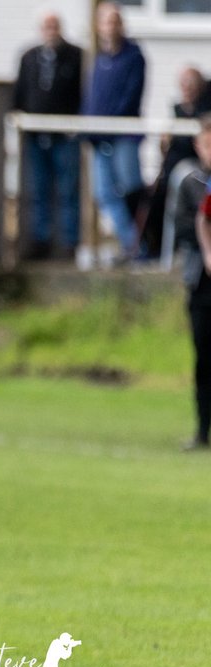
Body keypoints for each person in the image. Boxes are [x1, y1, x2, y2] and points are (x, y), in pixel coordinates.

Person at [12, 11, 83, 260]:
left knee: (67, 189)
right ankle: (40, 241)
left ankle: (69, 243)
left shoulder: (75, 56)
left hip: (64, 135)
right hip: (35, 134)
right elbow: (19, 92)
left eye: (55, 26)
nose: (51, 30)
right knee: (39, 189)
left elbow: (81, 92)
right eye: (46, 26)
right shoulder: (29, 57)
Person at [81, 2, 146, 263]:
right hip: (99, 138)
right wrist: (88, 126)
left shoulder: (134, 56)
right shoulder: (99, 59)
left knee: (131, 189)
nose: (111, 26)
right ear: (99, 26)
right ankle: (132, 246)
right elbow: (92, 99)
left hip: (123, 136)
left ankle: (142, 244)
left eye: (115, 21)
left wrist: (109, 123)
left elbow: (130, 97)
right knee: (104, 193)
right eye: (106, 21)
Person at [141, 67, 211, 259]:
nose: (186, 88)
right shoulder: (177, 110)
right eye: (183, 83)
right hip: (174, 173)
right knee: (155, 199)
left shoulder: (205, 108)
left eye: (191, 83)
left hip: (189, 171)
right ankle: (153, 247)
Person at [182, 119, 211, 450]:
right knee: (204, 359)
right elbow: (185, 228)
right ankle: (202, 431)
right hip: (201, 286)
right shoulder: (190, 183)